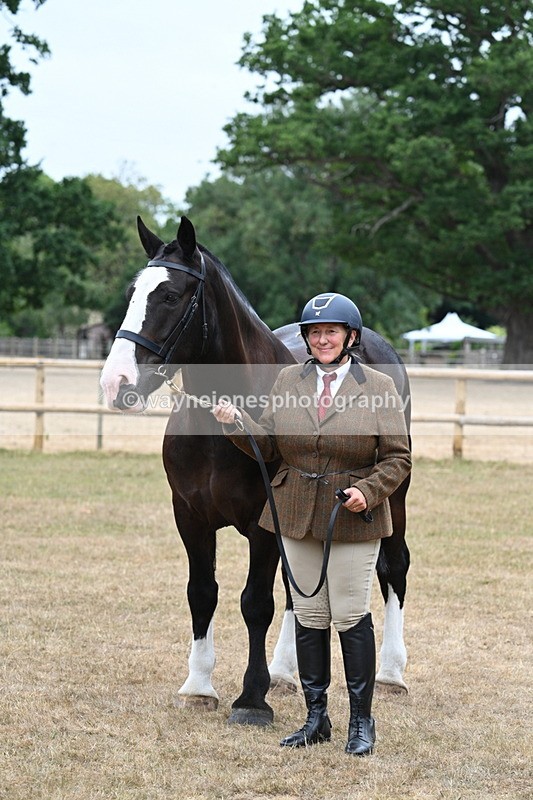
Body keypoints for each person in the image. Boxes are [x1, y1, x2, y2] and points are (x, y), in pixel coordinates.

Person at [213, 292, 411, 756]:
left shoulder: (379, 386)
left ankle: (361, 721)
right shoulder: (288, 380)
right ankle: (315, 717)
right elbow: (268, 445)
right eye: (315, 333)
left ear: (350, 337)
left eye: (331, 332)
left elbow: (399, 457)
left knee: (349, 614)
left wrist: (369, 490)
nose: (322, 340)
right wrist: (235, 423)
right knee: (309, 615)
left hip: (352, 513)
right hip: (295, 511)